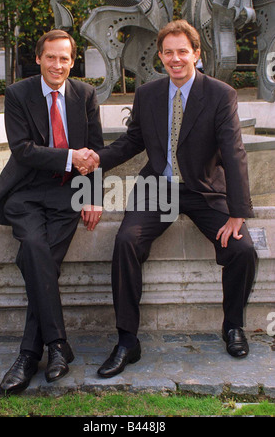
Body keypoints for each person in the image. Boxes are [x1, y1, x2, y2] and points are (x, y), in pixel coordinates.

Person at [83, 20, 258, 378]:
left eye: (182, 51)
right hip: (158, 188)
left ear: (196, 54)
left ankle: (233, 326)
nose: (175, 58)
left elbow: (234, 152)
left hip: (205, 188)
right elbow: (133, 142)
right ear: (160, 56)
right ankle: (127, 340)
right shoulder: (148, 94)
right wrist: (99, 158)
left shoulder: (221, 94)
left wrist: (238, 213)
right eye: (168, 52)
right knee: (126, 241)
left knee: (242, 250)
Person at [0, 29, 104, 393]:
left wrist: (93, 194)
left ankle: (30, 354)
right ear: (38, 58)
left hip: (67, 196)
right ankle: (57, 344)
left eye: (65, 58)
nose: (58, 65)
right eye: (51, 57)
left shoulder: (85, 94)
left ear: (72, 61)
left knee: (38, 262)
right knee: (34, 249)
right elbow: (22, 149)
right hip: (26, 191)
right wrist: (68, 157)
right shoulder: (19, 94)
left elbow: (94, 149)